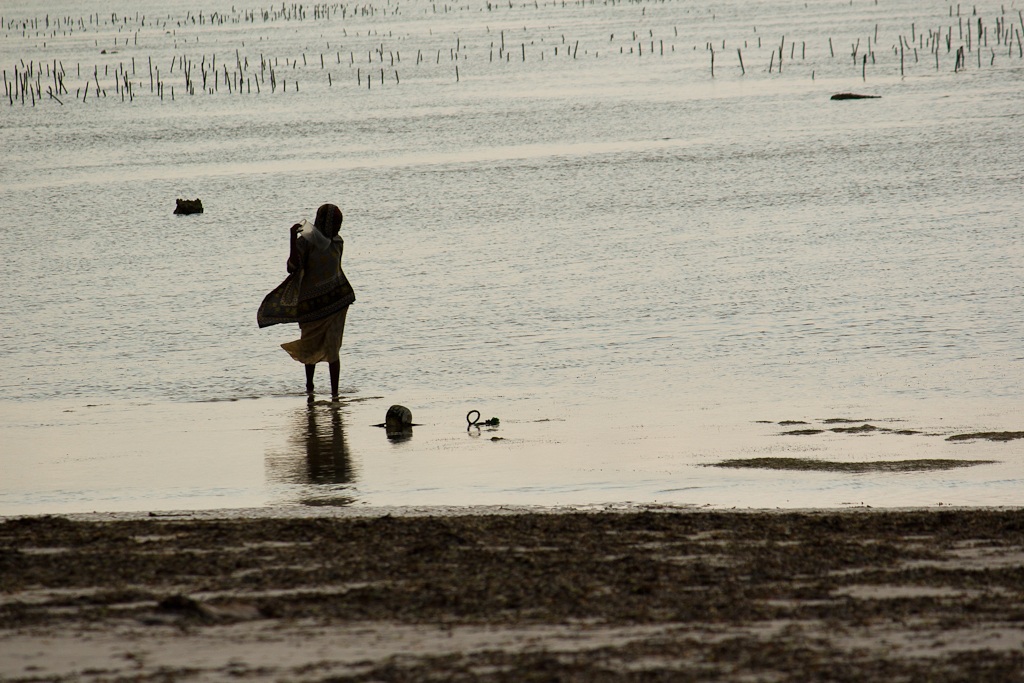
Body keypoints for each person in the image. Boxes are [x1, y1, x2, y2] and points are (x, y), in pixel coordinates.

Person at [258, 204, 355, 399]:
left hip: (336, 302)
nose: (338, 228)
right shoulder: (306, 242)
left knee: (333, 348)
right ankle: (310, 387)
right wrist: (292, 239)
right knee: (309, 346)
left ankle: (335, 394)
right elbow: (292, 267)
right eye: (335, 224)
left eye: (339, 224)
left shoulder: (338, 242)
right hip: (311, 306)